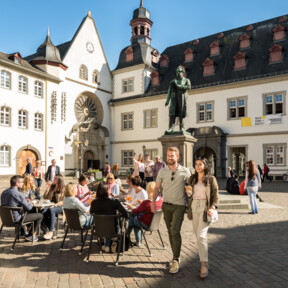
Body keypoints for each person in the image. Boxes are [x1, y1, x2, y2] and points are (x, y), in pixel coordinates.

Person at [152, 146, 191, 274]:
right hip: (166, 205)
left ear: (177, 157)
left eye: (172, 155)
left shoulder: (185, 171)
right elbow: (157, 188)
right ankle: (175, 253)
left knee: (175, 230)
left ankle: (175, 259)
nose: (169, 157)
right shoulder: (162, 171)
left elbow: (191, 187)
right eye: (168, 155)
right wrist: (153, 202)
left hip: (179, 205)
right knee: (170, 231)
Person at [186, 158, 219, 279]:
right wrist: (189, 193)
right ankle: (203, 259)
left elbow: (216, 194)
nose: (198, 166)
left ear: (205, 166)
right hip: (194, 207)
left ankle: (204, 263)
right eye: (196, 164)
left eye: (200, 164)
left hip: (205, 208)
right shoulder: (192, 178)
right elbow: (190, 193)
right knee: (197, 236)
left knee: (201, 236)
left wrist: (213, 207)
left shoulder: (211, 179)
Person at [1, 175, 43, 242]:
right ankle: (30, 235)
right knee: (40, 216)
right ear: (17, 183)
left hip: (6, 219)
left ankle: (23, 233)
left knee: (23, 212)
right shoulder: (18, 194)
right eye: (22, 182)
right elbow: (29, 208)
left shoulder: (4, 192)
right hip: (17, 219)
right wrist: (32, 203)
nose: (23, 183)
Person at [90, 182, 128, 253]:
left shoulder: (94, 203)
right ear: (107, 190)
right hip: (113, 231)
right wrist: (119, 214)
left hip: (98, 230)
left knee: (106, 223)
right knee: (113, 222)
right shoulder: (114, 201)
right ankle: (108, 245)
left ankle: (106, 245)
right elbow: (125, 214)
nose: (111, 191)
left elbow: (91, 212)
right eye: (110, 189)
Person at [127, 182, 162, 247]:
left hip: (146, 224)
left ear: (148, 191)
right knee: (136, 218)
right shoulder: (160, 199)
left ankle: (129, 236)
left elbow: (135, 211)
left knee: (134, 218)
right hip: (155, 223)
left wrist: (130, 206)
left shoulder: (146, 203)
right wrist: (142, 203)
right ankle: (130, 236)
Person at [165, 65, 191, 133]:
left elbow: (189, 87)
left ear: (183, 72)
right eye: (177, 72)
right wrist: (167, 100)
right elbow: (169, 91)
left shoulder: (186, 80)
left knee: (181, 113)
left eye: (179, 72)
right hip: (174, 98)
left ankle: (182, 127)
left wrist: (179, 86)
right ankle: (171, 127)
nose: (178, 73)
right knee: (172, 112)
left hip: (182, 97)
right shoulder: (173, 81)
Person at [42, 175, 65, 240]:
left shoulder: (63, 188)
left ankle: (51, 231)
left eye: (55, 179)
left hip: (60, 206)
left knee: (52, 210)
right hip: (50, 205)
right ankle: (53, 230)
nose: (53, 179)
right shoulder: (52, 187)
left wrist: (56, 205)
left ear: (59, 180)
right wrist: (47, 189)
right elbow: (45, 197)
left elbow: (64, 201)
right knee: (42, 213)